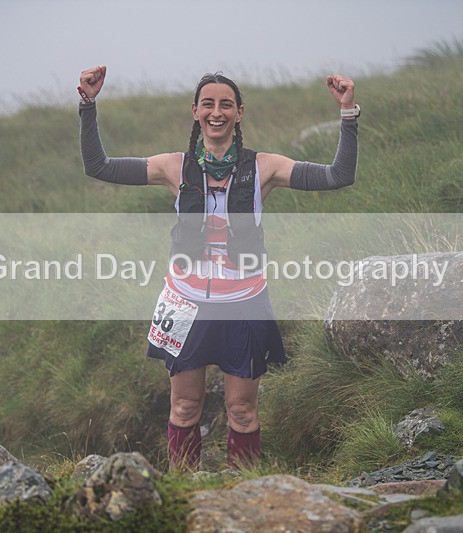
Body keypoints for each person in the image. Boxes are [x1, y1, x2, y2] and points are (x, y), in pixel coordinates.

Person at [78, 65, 358, 470]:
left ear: (239, 113)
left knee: (242, 411)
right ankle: (181, 491)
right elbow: (98, 167)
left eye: (226, 105)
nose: (216, 111)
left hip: (244, 303)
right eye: (208, 104)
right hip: (184, 303)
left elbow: (339, 176)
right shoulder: (173, 166)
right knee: (185, 405)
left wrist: (348, 113)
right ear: (195, 111)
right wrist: (87, 103)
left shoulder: (265, 168)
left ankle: (240, 491)